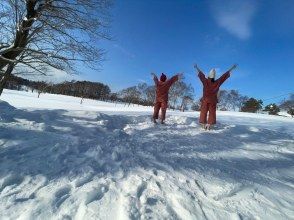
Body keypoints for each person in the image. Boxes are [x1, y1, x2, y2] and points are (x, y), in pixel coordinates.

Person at [194, 64, 237, 130]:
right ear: (214, 77)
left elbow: (201, 74)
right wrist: (232, 68)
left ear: (208, 75)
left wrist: (196, 67)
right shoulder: (217, 82)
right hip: (213, 101)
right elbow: (224, 76)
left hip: (205, 100)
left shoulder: (205, 81)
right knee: (212, 113)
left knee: (203, 112)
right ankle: (209, 125)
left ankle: (203, 124)